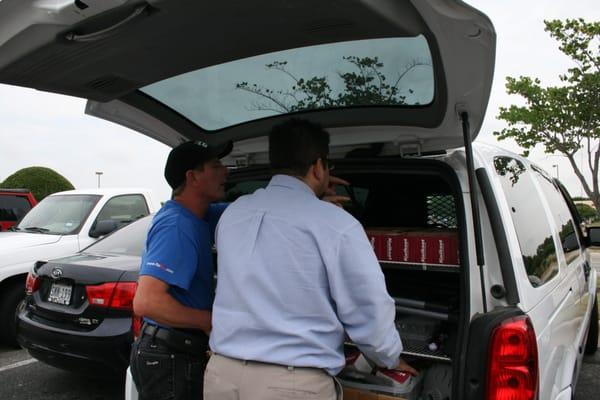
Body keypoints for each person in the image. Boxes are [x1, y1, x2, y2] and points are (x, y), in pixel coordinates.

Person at [204, 119, 416, 400]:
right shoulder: (337, 225)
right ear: (318, 166)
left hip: (222, 376)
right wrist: (388, 357)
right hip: (291, 385)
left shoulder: (234, 214)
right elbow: (368, 307)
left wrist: (314, 201)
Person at [130, 139, 231, 400]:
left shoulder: (200, 216)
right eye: (216, 165)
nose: (226, 171)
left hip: (175, 352)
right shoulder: (177, 226)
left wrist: (308, 196)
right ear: (193, 177)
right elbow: (147, 302)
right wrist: (207, 321)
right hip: (168, 356)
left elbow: (251, 210)